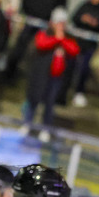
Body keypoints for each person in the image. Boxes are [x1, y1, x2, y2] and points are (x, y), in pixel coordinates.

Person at [4, 0, 67, 82]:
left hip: (46, 24)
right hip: (29, 18)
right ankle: (9, 74)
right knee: (19, 48)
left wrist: (55, 21)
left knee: (40, 52)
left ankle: (33, 79)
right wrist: (24, 14)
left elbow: (61, 6)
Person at [21, 8, 80, 141]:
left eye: (63, 23)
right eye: (58, 23)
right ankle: (27, 124)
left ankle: (45, 129)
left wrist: (62, 39)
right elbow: (41, 44)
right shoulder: (44, 33)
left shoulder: (68, 38)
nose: (61, 26)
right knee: (33, 100)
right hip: (40, 75)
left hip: (56, 78)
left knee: (49, 104)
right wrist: (56, 39)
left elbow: (74, 50)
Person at [67, 0, 99, 107]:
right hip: (77, 42)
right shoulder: (85, 5)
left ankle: (79, 92)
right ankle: (66, 89)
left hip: (90, 44)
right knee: (71, 65)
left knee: (84, 68)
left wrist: (95, 24)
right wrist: (83, 19)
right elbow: (74, 17)